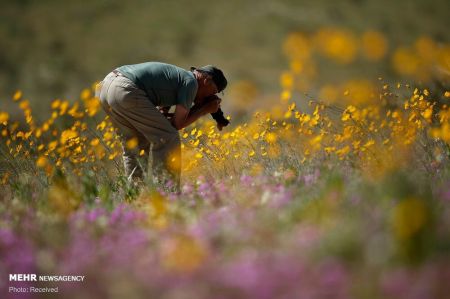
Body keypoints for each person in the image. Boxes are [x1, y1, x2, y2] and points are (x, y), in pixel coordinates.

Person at [96, 62, 227, 191]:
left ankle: (135, 193)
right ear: (207, 80)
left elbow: (163, 118)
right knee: (168, 138)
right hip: (125, 89)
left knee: (135, 144)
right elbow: (177, 125)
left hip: (106, 88)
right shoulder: (191, 82)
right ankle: (166, 191)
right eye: (214, 92)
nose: (211, 96)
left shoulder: (176, 79)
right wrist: (204, 109)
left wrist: (200, 107)